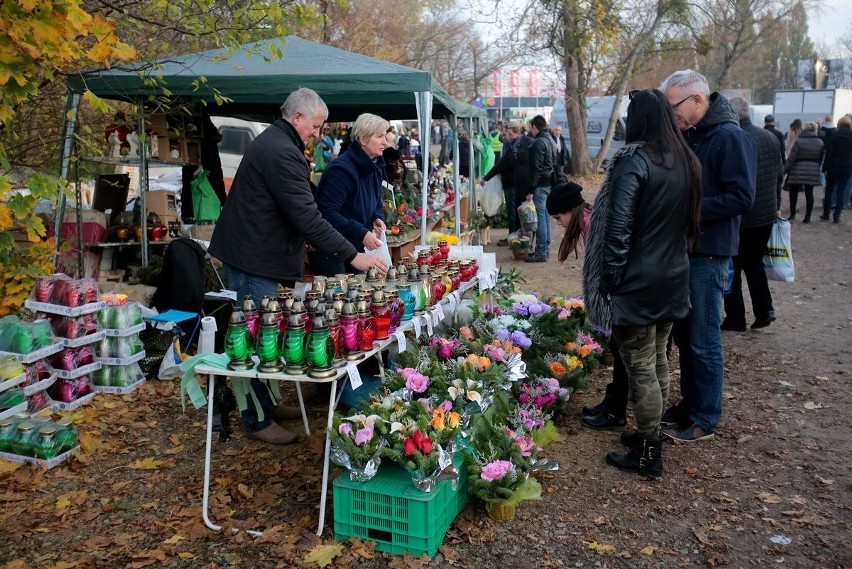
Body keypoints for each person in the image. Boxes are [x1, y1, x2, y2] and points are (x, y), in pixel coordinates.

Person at [208, 88, 388, 445]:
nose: (317, 134)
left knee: (266, 334)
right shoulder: (280, 151)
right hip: (251, 259)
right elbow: (308, 215)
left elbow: (302, 208)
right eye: (316, 126)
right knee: (254, 339)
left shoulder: (280, 145)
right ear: (297, 118)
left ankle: (268, 404)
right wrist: (352, 255)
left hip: (259, 255)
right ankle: (256, 420)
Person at [584, 88, 702, 476]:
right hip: (672, 277)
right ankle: (647, 433)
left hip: (638, 281)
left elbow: (618, 228)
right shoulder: (686, 159)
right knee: (658, 360)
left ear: (639, 120)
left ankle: (650, 450)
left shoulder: (634, 161)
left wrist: (611, 279)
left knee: (642, 368)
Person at [660, 69, 756, 443]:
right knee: (686, 336)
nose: (673, 116)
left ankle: (706, 416)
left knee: (703, 338)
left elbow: (741, 196)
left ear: (697, 100)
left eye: (675, 107)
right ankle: (691, 402)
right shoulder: (695, 136)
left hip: (710, 254)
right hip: (688, 250)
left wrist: (691, 208)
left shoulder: (730, 137)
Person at [545, 181, 630, 430]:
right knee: (618, 348)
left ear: (570, 211)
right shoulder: (587, 220)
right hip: (618, 296)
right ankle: (613, 403)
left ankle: (616, 411)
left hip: (621, 297)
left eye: (558, 216)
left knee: (622, 351)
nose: (558, 223)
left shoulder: (593, 224)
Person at [723, 97, 783, 332]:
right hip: (766, 214)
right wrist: (776, 204)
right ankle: (764, 309)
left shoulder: (735, 139)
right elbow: (779, 174)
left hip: (742, 217)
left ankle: (736, 318)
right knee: (755, 263)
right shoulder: (770, 136)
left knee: (733, 267)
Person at [310, 113, 389, 276]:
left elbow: (377, 201)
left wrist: (377, 217)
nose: (385, 142)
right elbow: (326, 214)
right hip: (333, 254)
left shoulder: (375, 168)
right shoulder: (340, 170)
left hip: (359, 250)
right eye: (379, 136)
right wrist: (361, 232)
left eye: (385, 136)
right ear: (362, 139)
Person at [524, 115, 558, 263]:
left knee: (541, 218)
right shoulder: (550, 139)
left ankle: (541, 250)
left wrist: (531, 189)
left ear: (534, 127)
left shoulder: (538, 142)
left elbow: (536, 169)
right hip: (549, 182)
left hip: (541, 184)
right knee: (545, 216)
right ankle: (545, 248)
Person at [484, 122, 524, 240]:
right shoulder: (513, 145)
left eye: (508, 134)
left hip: (512, 183)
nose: (506, 137)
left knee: (512, 211)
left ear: (515, 133)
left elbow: (501, 164)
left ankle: (512, 236)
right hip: (512, 182)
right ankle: (514, 235)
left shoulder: (513, 147)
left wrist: (486, 178)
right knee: (514, 211)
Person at [784, 121, 824, 223]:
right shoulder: (820, 142)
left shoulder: (799, 141)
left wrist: (784, 170)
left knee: (793, 193)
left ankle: (793, 214)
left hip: (797, 169)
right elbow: (820, 159)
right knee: (809, 193)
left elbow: (791, 158)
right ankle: (808, 217)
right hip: (813, 169)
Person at [820, 115, 852, 223]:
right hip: (847, 167)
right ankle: (837, 216)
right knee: (841, 191)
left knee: (829, 190)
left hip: (833, 166)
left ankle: (826, 213)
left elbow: (829, 153)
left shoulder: (834, 135)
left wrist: (824, 168)